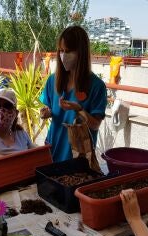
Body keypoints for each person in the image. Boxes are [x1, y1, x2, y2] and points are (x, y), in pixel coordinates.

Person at [40, 25, 107, 163]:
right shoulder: (53, 80)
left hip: (78, 158)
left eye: (69, 51)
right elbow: (51, 110)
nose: (63, 56)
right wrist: (46, 113)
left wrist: (79, 110)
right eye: (61, 51)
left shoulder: (97, 86)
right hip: (53, 150)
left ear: (81, 52)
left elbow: (95, 125)